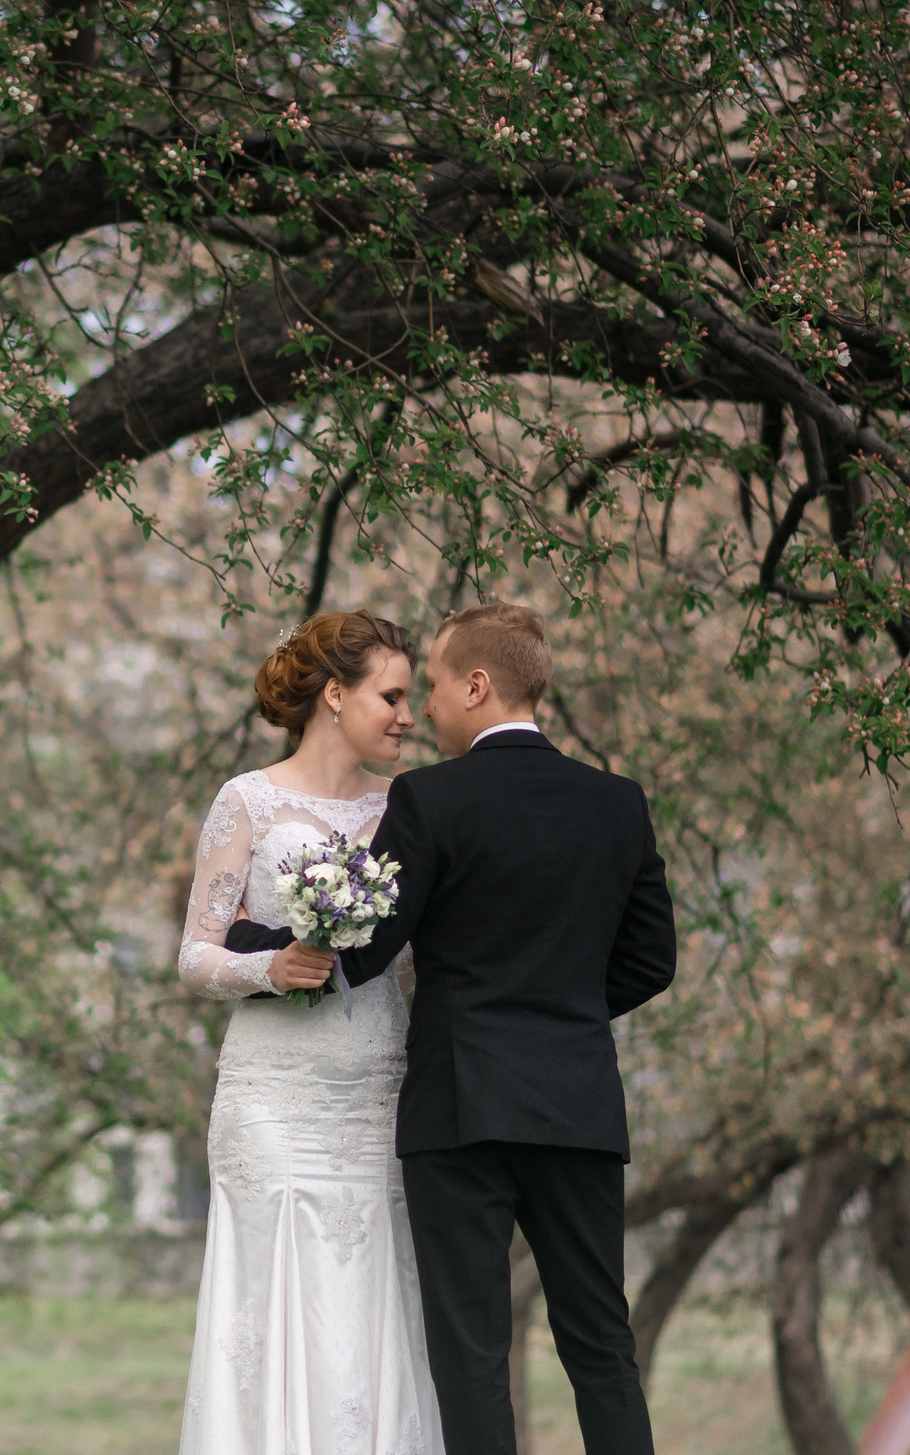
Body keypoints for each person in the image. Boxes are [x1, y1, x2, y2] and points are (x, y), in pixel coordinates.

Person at [334, 603, 677, 1455]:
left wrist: (276, 948)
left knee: (472, 1352)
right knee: (602, 1348)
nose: (427, 710)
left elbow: (371, 948)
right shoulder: (617, 802)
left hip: (461, 1105)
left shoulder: (429, 798)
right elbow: (652, 961)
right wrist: (558, 1009)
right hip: (579, 1106)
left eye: (439, 687)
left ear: (478, 686)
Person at [174, 609, 443, 1455]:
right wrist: (271, 968)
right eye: (392, 696)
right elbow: (193, 954)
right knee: (273, 1304)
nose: (410, 715)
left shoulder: (411, 805)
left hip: (374, 1094)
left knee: (368, 1305)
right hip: (273, 1098)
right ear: (335, 694)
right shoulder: (246, 800)